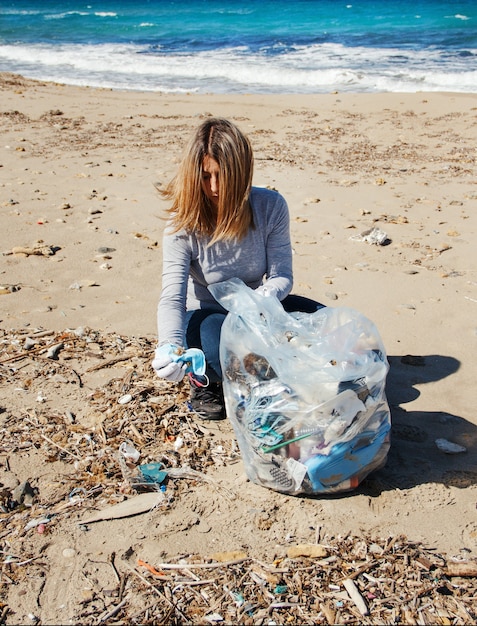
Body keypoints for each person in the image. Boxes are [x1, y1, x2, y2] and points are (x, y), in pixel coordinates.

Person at [152, 117, 321, 420]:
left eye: (224, 176)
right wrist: (169, 346)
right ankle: (205, 382)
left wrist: (260, 300)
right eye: (206, 176)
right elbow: (172, 298)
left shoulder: (270, 206)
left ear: (241, 172)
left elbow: (282, 276)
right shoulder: (182, 222)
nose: (215, 188)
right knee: (221, 355)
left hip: (259, 308)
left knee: (323, 326)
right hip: (207, 314)